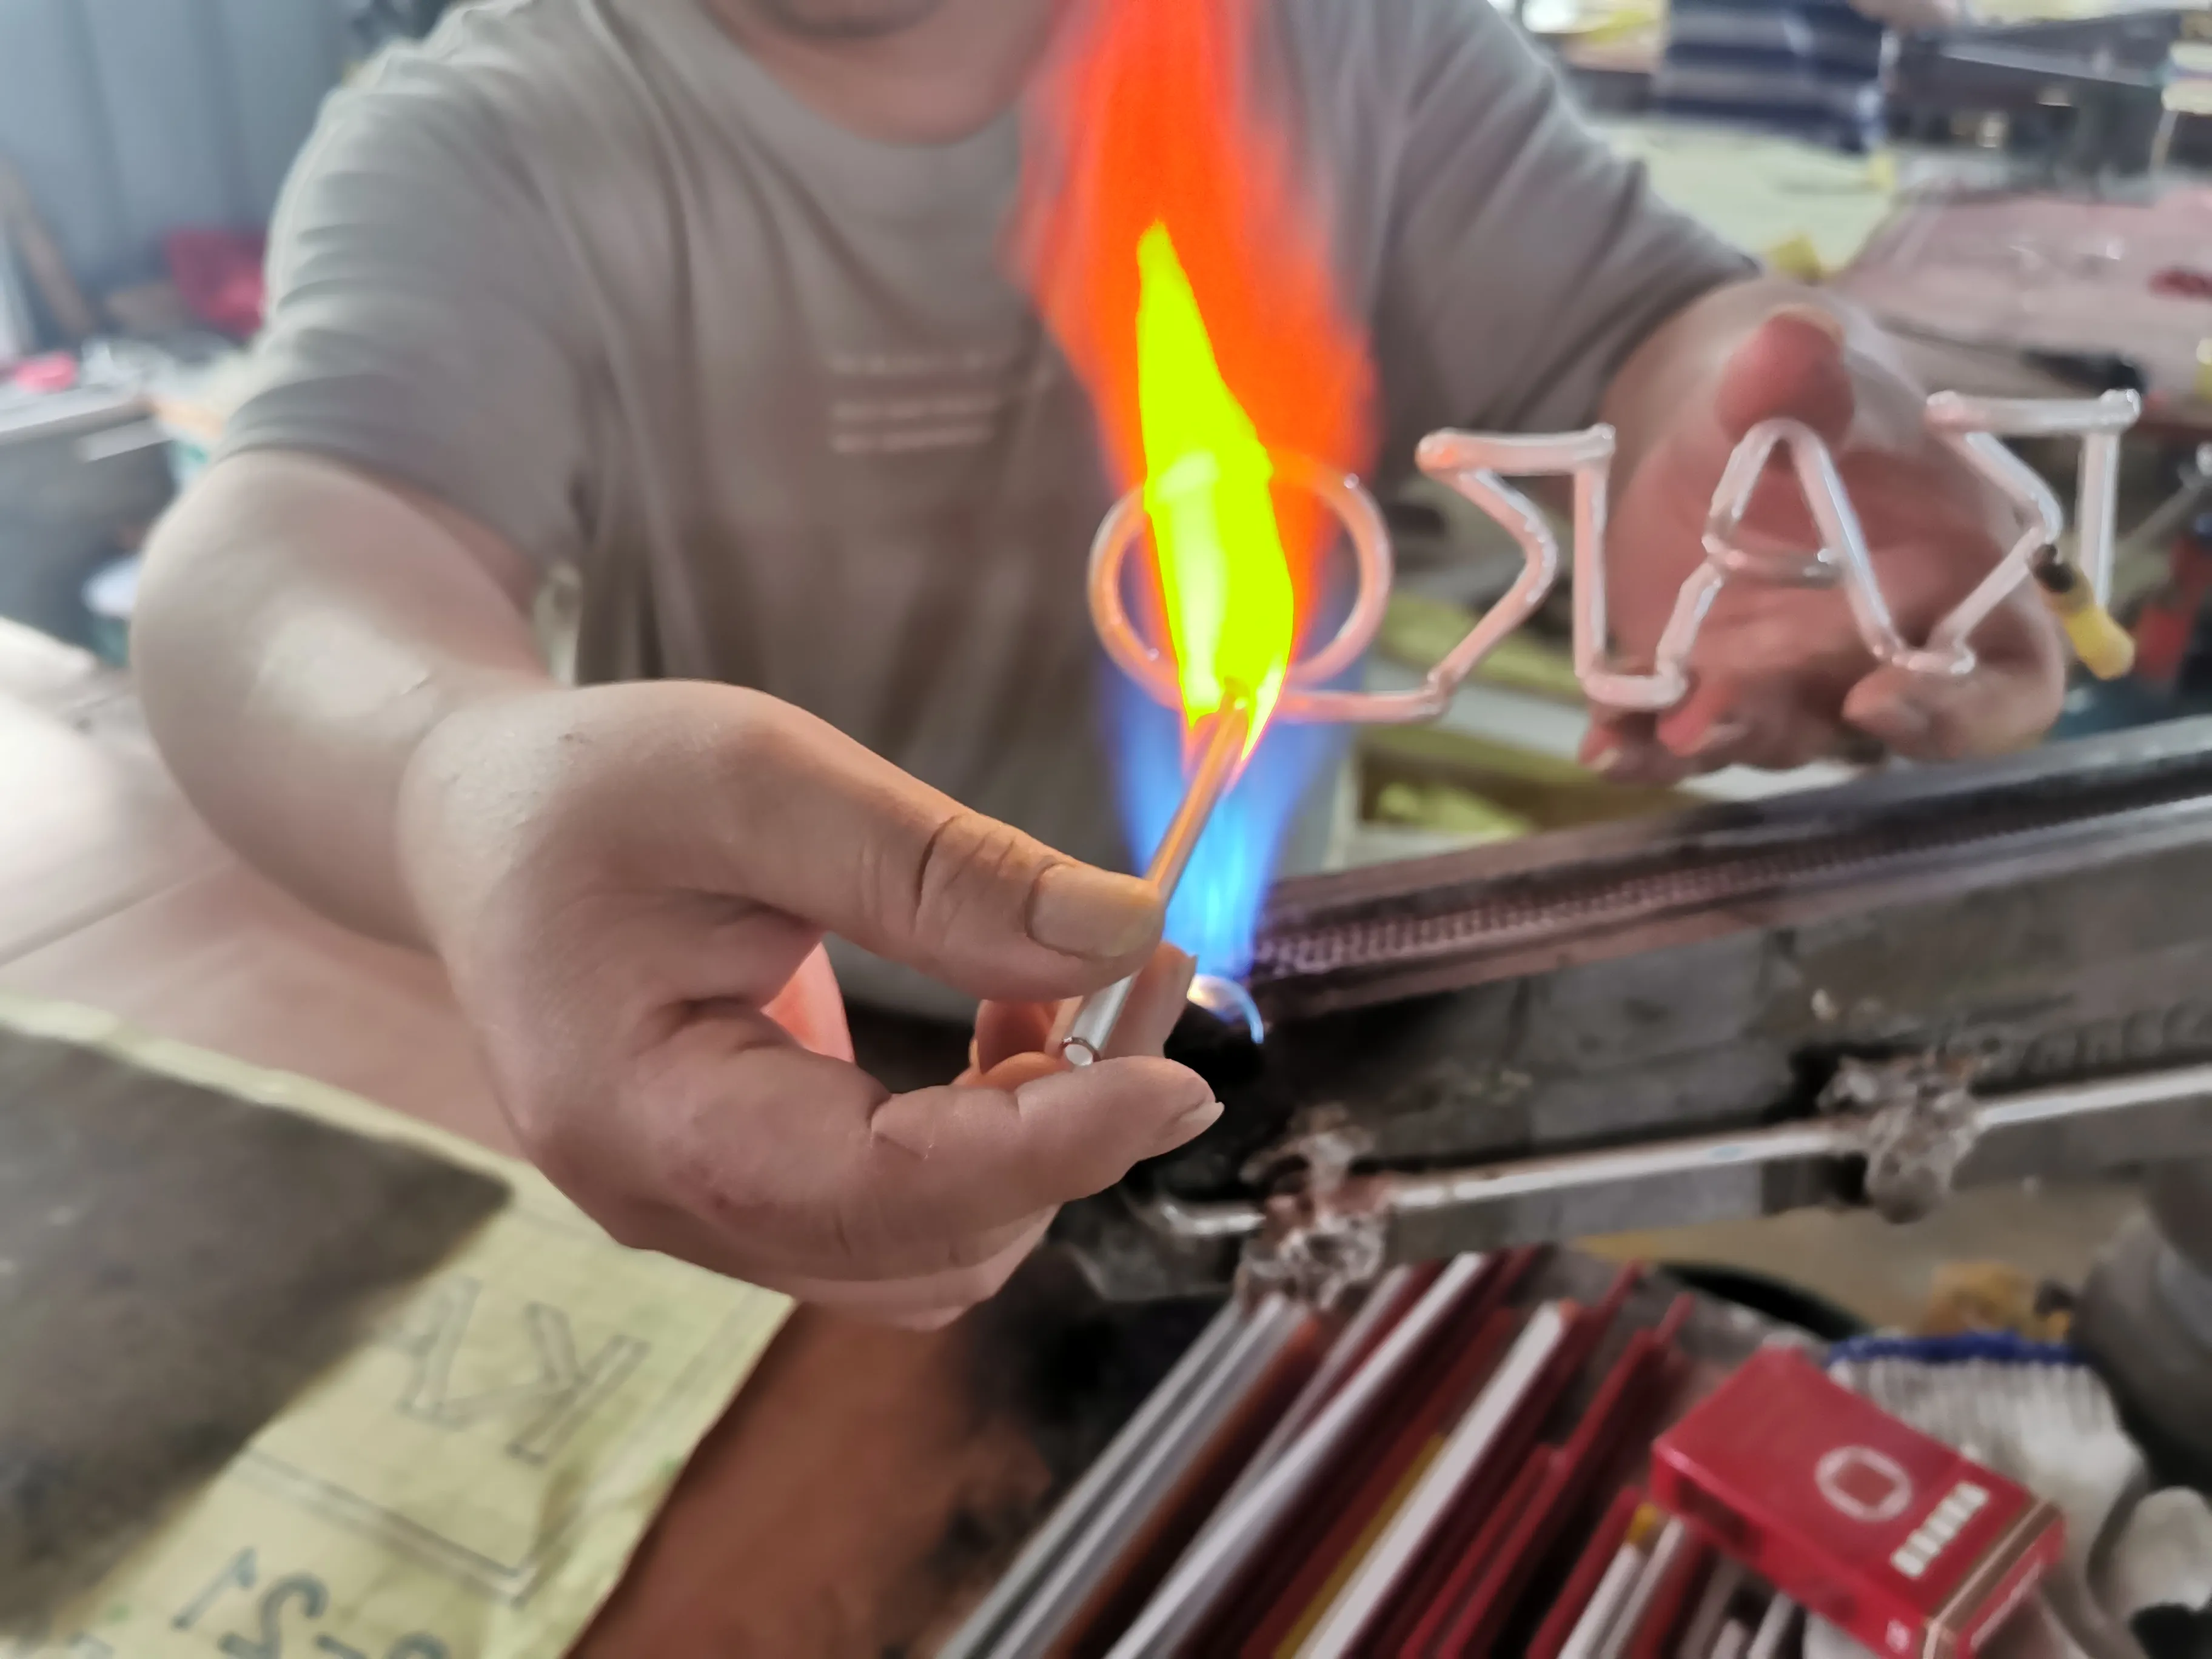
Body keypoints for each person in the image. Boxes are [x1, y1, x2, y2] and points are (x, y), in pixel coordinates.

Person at [133, 0, 2065, 1329]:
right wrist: (452, 774)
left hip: (1279, 1041)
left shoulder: (1339, 41)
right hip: (768, 1064)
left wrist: (1759, 446)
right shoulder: (494, 135)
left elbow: (1658, 328)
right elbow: (282, 556)